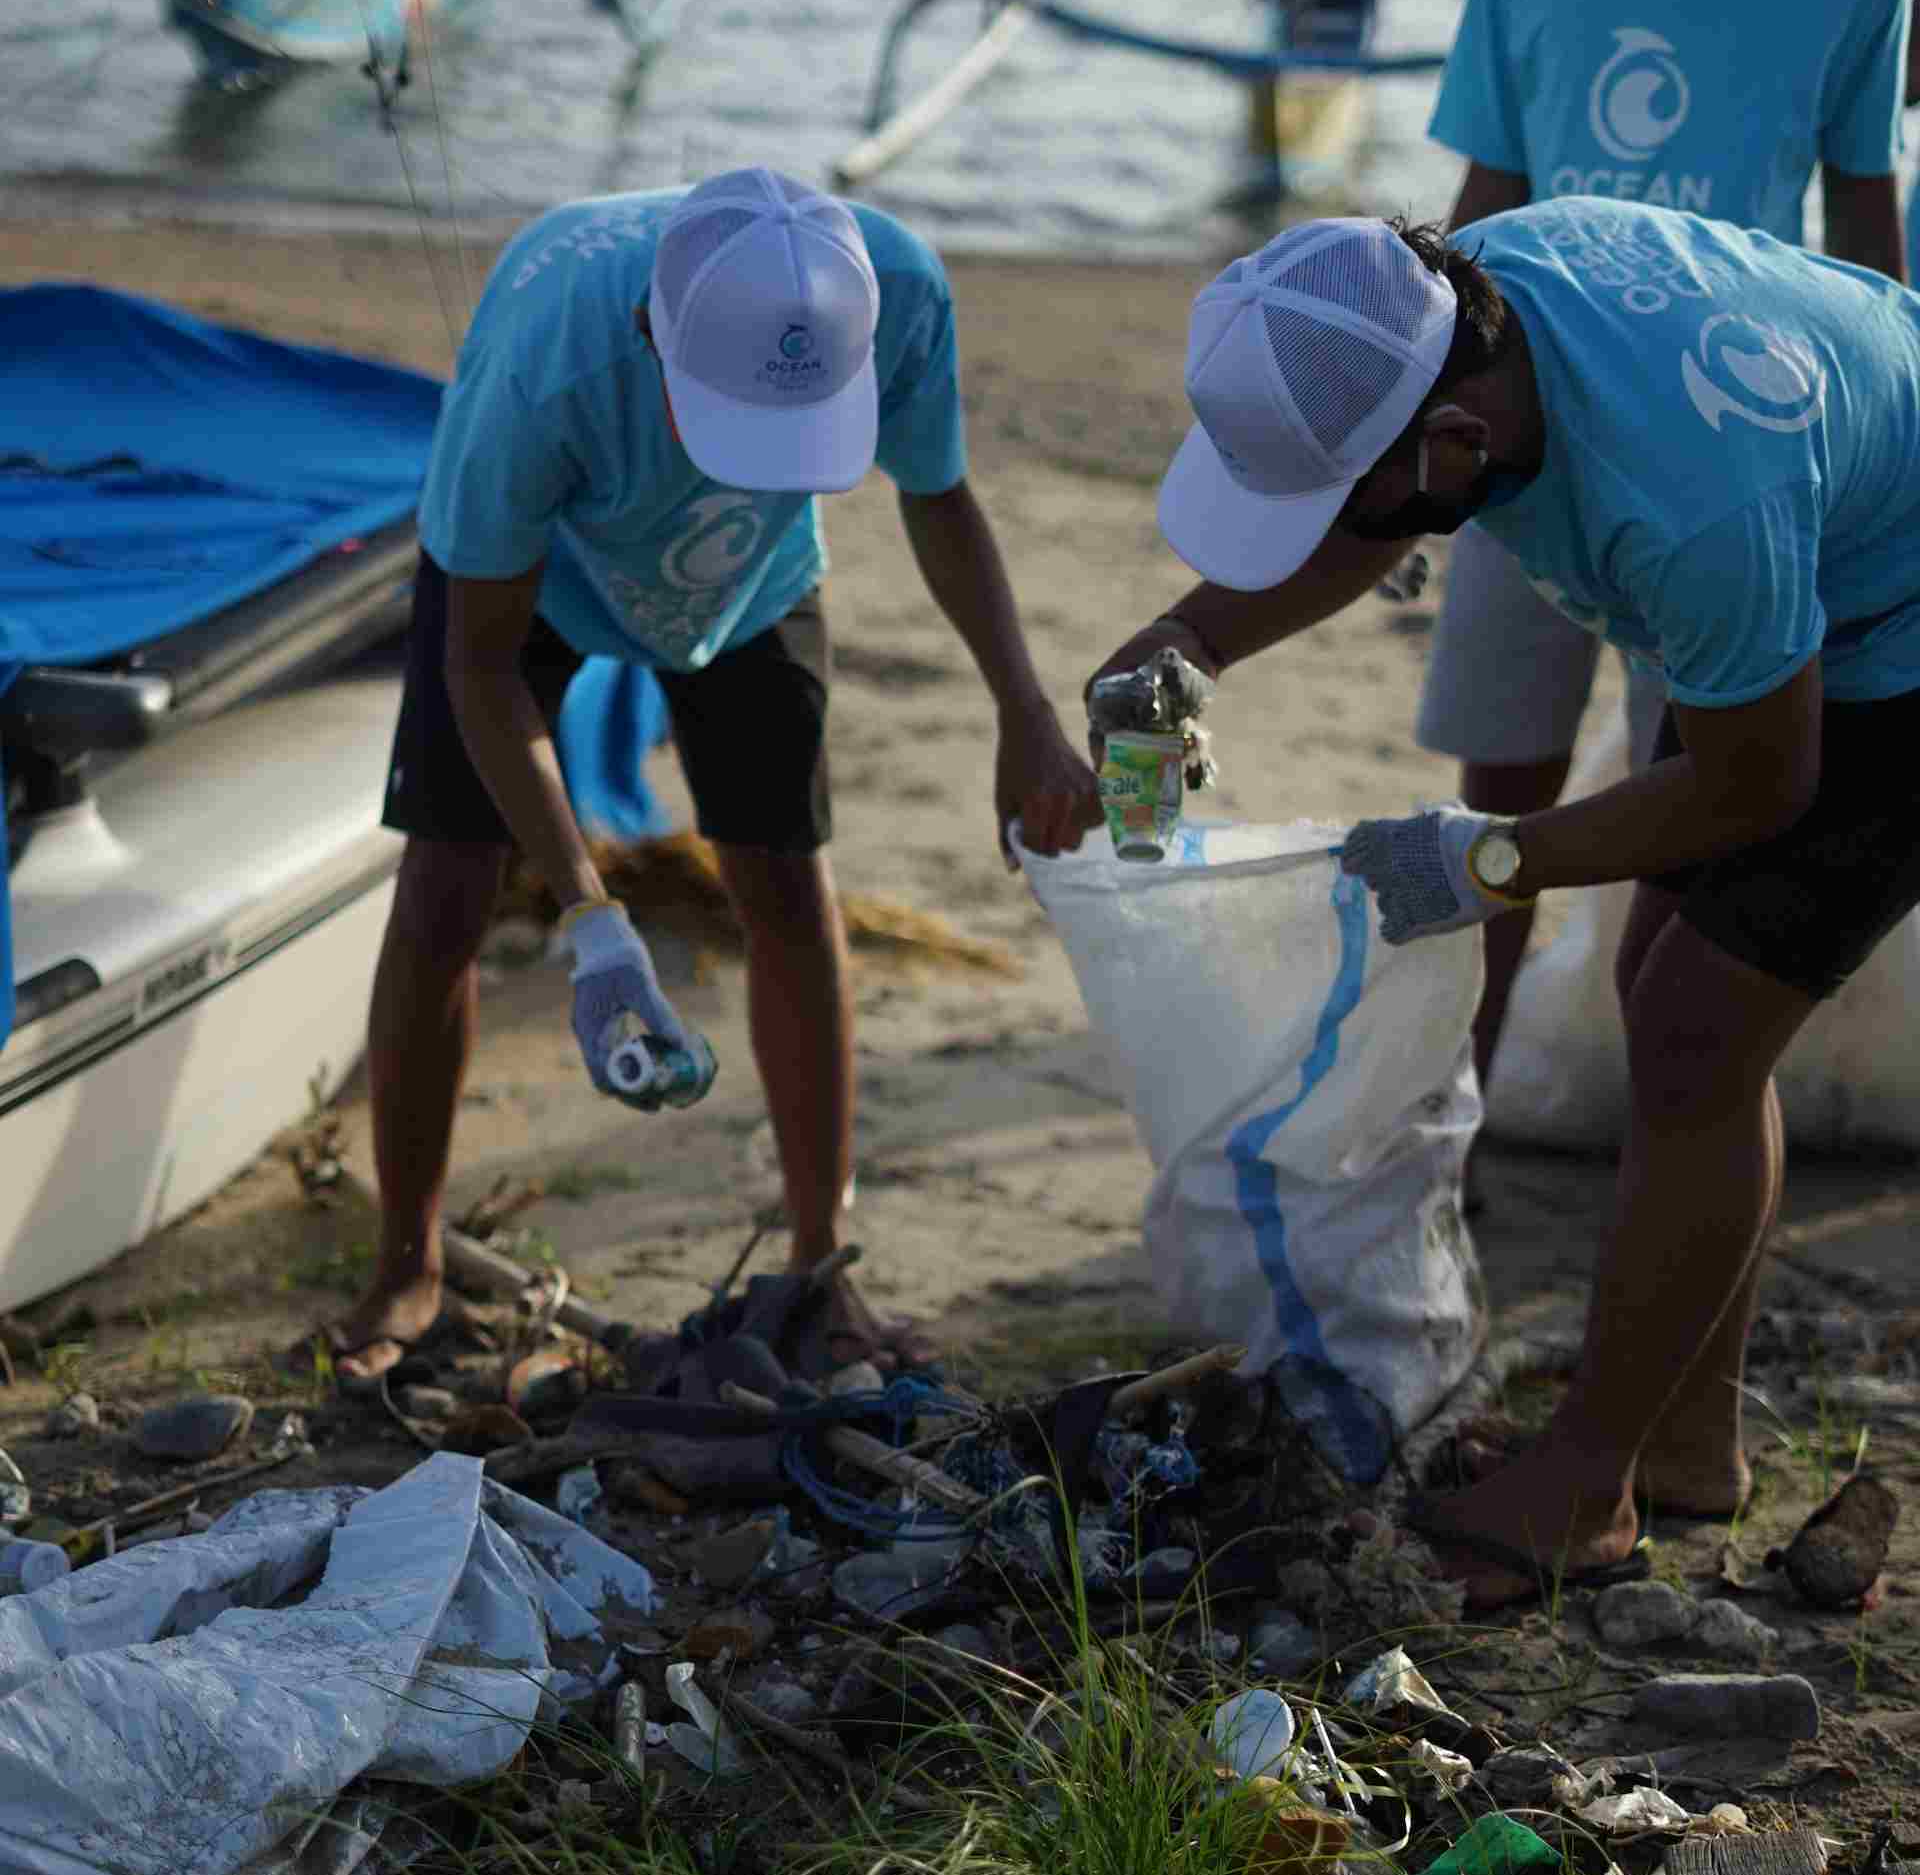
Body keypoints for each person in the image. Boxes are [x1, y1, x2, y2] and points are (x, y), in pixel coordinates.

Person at [1094, 200, 1920, 1603]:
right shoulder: (1451, 309)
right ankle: (1683, 1448)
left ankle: (1585, 1494)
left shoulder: (1688, 498)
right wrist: (1187, 639)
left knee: (1695, 1035)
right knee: (1674, 996)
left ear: (1458, 445)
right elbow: (1380, 504)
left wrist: (1490, 858)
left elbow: (1758, 790)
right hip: (1814, 559)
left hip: (1894, 626)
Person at [325, 167, 1102, 1389]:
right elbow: (483, 669)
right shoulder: (548, 361)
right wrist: (591, 917)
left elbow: (940, 497)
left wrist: (1025, 709)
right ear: (651, 332)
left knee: (790, 890)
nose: (756, 455)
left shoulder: (888, 289)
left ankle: (821, 1259)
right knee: (444, 893)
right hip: (540, 584)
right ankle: (406, 1261)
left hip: (750, 583)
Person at [1416, 0, 1907, 1099]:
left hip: (1716, 457)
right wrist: (1417, 421)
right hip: (1512, 416)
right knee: (1503, 765)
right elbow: (1484, 194)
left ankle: (1669, 1110)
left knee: (1685, 795)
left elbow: (1865, 221)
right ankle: (1459, 1102)